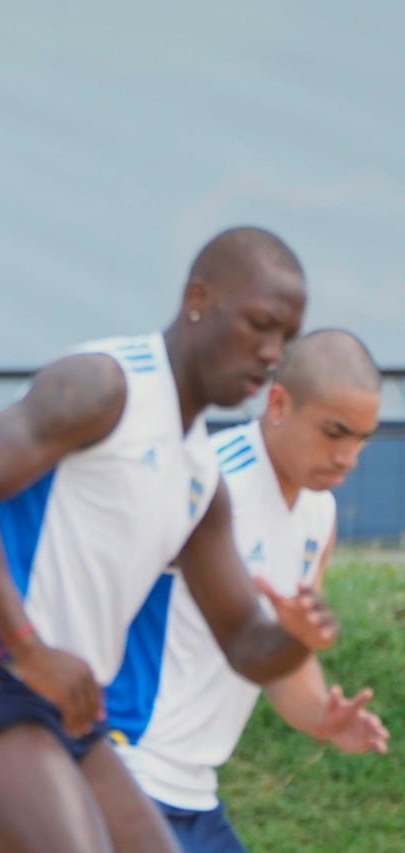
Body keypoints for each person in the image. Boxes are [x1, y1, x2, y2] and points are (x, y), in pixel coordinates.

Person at [0, 226, 341, 852]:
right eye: (260, 325)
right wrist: (30, 650)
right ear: (198, 299)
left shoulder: (200, 479)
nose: (272, 353)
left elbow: (246, 643)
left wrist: (296, 637)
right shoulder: (103, 386)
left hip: (70, 711)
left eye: (286, 339)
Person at [109, 328, 389, 852]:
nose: (348, 457)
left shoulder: (319, 514)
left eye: (361, 439)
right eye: (334, 433)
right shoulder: (203, 480)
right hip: (123, 769)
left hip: (194, 792)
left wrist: (323, 718)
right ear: (278, 402)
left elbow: (283, 662)